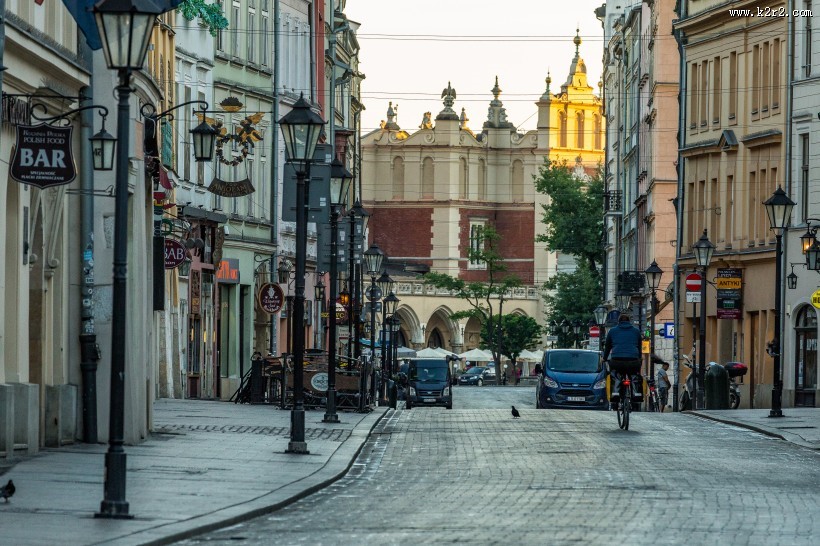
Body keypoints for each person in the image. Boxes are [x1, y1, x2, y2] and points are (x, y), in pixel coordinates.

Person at [602, 314, 643, 410]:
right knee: (634, 375)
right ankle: (636, 392)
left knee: (615, 374)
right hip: (633, 361)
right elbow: (639, 347)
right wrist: (639, 358)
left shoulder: (612, 331)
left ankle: (615, 391)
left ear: (618, 322)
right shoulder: (636, 331)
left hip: (617, 360)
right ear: (629, 321)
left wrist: (604, 358)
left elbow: (608, 347)